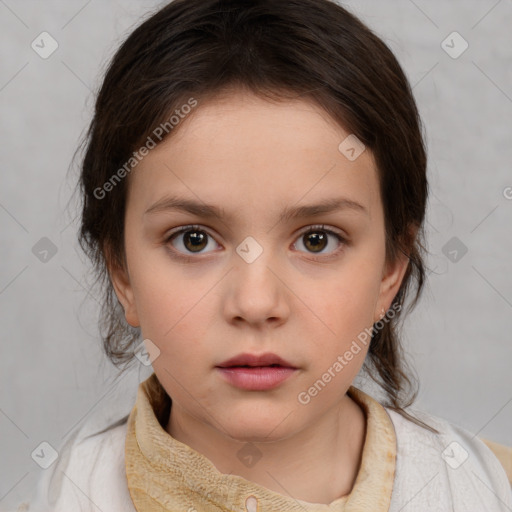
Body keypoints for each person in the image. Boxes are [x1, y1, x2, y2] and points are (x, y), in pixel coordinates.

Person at [14, 0, 512, 510]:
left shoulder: (489, 491)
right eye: (194, 239)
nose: (255, 303)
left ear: (390, 269)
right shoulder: (62, 497)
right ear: (122, 273)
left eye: (317, 239)